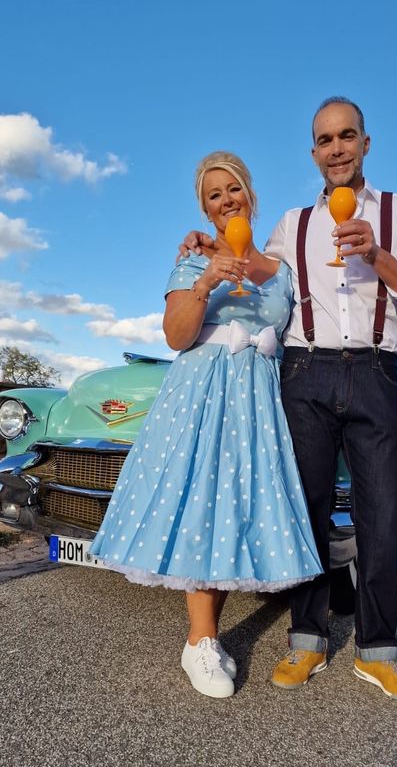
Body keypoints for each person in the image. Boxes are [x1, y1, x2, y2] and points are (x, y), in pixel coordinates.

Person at [181, 99, 397, 702]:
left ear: (365, 143)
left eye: (346, 136)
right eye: (324, 140)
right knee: (306, 512)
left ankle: (378, 652)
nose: (336, 148)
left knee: (384, 514)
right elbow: (248, 261)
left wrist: (378, 256)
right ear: (313, 153)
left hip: (377, 371)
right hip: (306, 373)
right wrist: (204, 237)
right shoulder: (293, 225)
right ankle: (307, 641)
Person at [90, 151, 322, 699]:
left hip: (259, 397)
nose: (226, 200)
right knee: (203, 502)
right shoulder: (193, 260)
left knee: (238, 506)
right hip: (202, 390)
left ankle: (208, 639)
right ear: (205, 207)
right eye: (213, 195)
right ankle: (200, 641)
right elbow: (175, 336)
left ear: (250, 195)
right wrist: (206, 284)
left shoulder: (281, 272)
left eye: (233, 189)